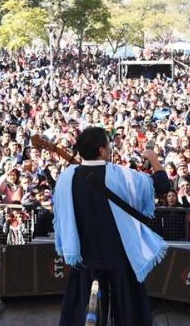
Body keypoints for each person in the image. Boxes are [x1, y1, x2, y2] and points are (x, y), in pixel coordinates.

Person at [54, 127, 170, 326]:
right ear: (101, 150)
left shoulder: (66, 177)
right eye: (108, 145)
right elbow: (162, 185)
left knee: (82, 313)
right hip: (120, 255)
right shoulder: (121, 175)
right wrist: (153, 158)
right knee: (130, 311)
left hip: (85, 256)